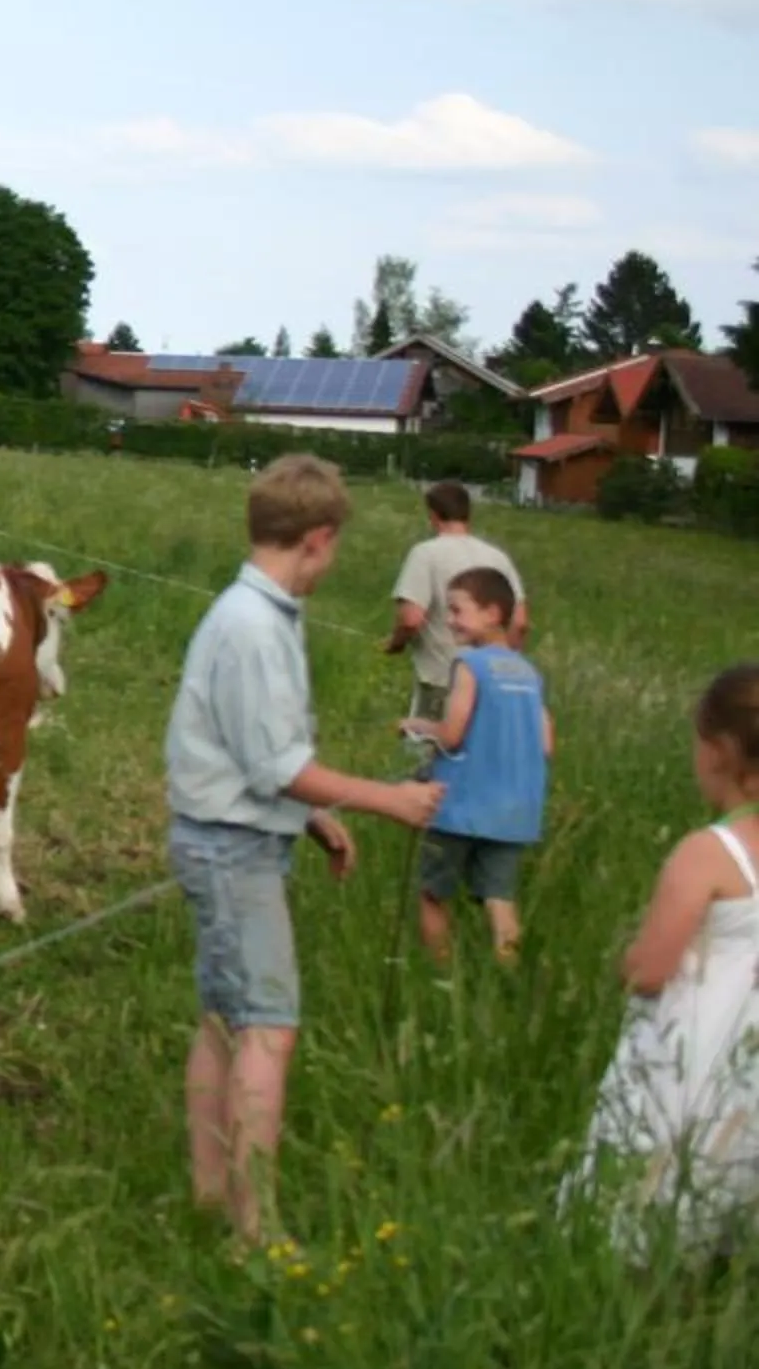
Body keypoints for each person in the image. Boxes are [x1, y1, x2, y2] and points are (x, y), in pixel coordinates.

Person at [168, 454, 442, 1245]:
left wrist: (313, 816)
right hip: (232, 848)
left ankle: (211, 1200)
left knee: (225, 1020)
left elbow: (255, 752)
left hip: (234, 835)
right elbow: (277, 765)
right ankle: (257, 1233)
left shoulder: (257, 615)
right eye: (336, 546)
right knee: (267, 1027)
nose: (334, 559)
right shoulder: (253, 627)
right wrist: (390, 798)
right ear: (318, 539)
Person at [565, 664, 759, 1260]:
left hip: (690, 1049)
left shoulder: (706, 853)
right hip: (749, 1054)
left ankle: (631, 1263)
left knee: (655, 1161)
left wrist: (626, 960)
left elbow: (651, 970)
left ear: (718, 751)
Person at [397, 566, 554, 965]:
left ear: (492, 613)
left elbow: (451, 735)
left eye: (457, 610)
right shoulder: (530, 673)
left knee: (433, 894)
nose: (449, 620)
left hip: (460, 806)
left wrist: (419, 726)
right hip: (515, 811)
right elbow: (546, 744)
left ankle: (441, 974)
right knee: (500, 898)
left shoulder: (470, 665)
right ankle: (507, 970)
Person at [384, 482, 526, 734]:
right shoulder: (497, 557)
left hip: (442, 678)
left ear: (433, 515)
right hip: (493, 681)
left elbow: (411, 619)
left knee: (428, 746)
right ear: (467, 514)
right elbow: (519, 622)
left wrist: (395, 643)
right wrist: (507, 664)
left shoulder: (425, 554)